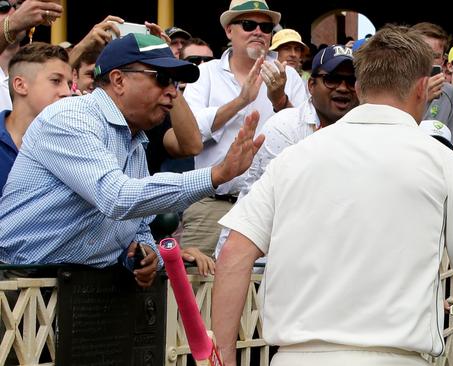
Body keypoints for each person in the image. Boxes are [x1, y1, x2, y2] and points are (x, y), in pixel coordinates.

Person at [211, 24, 453, 366]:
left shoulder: (294, 158)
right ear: (420, 89)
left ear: (358, 87)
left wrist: (222, 357)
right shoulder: (447, 165)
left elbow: (235, 251)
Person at [0, 34, 263, 288]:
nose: (173, 91)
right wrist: (215, 175)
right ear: (118, 80)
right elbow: (116, 197)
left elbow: (138, 228)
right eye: (162, 78)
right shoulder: (71, 117)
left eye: (175, 82)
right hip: (17, 282)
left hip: (75, 289)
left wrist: (149, 254)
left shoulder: (135, 141)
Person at [183, 0, 307, 256]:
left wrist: (280, 101)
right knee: (197, 290)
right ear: (229, 31)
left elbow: (305, 136)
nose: (259, 32)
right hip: (211, 204)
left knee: (266, 291)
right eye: (249, 24)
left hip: (271, 206)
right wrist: (241, 101)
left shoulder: (289, 76)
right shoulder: (204, 73)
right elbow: (190, 131)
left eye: (266, 26)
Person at [214, 44, 359, 258]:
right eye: (332, 79)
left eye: (352, 81)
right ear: (311, 85)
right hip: (271, 258)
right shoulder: (285, 127)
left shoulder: (366, 131)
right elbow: (266, 206)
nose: (343, 88)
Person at [0, 42, 71, 195]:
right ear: (20, 85)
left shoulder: (70, 145)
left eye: (69, 83)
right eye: (56, 81)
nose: (67, 92)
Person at [412, 22, 453, 141]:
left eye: (435, 56)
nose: (429, 61)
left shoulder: (450, 91)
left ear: (442, 60)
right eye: (424, 54)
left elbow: (451, 142)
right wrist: (422, 99)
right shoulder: (396, 87)